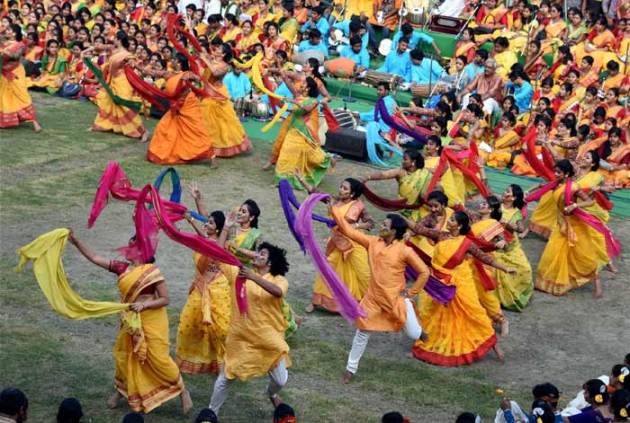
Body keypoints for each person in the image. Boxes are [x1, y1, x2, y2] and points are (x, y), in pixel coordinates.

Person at [67, 231, 192, 414]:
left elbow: (165, 299)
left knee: (159, 359)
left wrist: (145, 305)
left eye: (131, 244)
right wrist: (76, 242)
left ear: (141, 250)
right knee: (126, 357)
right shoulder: (121, 268)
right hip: (130, 321)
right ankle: (121, 392)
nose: (127, 247)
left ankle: (182, 391)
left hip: (151, 321)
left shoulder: (152, 272)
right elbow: (94, 257)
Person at [329, 208, 431, 383]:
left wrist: (411, 292)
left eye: (385, 225)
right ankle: (350, 369)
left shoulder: (404, 251)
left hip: (395, 300)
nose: (381, 226)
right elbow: (348, 231)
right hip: (373, 299)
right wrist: (333, 209)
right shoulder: (372, 242)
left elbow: (424, 272)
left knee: (413, 334)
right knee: (362, 332)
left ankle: (420, 332)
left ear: (394, 231)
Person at [411, 211, 516, 365]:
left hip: (460, 284)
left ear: (459, 226)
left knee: (473, 313)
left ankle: (494, 346)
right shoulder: (442, 236)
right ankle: (432, 342)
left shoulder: (466, 243)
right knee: (436, 314)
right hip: (440, 282)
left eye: (452, 220)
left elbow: (484, 257)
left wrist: (505, 269)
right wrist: (399, 218)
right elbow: (420, 230)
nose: (449, 221)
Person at [208, 242, 291, 414]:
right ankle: (211, 413)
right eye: (257, 252)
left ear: (269, 263)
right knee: (226, 377)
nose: (256, 255)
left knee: (281, 381)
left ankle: (271, 394)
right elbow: (218, 254)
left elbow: (277, 292)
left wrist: (253, 277)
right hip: (241, 338)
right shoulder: (238, 274)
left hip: (268, 339)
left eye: (262, 254)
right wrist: (225, 228)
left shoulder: (279, 280)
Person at [535, 159, 616, 298]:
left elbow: (590, 201)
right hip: (561, 225)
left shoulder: (574, 187)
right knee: (553, 253)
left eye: (558, 172)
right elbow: (543, 188)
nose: (555, 174)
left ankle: (598, 286)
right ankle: (551, 284)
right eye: (555, 171)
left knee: (583, 257)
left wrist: (575, 206)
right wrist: (527, 195)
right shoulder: (556, 184)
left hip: (576, 225)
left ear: (566, 174)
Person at [299, 177, 373, 313]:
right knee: (327, 270)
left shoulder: (358, 206)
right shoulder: (334, 201)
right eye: (341, 186)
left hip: (354, 244)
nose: (341, 190)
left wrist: (354, 226)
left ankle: (368, 302)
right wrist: (302, 179)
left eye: (345, 188)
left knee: (363, 274)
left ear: (352, 194)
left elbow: (370, 223)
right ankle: (315, 302)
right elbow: (315, 192)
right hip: (336, 242)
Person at [176, 206, 231, 375]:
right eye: (207, 221)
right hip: (200, 288)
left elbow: (216, 250)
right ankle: (192, 358)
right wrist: (190, 220)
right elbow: (204, 238)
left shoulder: (222, 245)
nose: (207, 224)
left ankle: (222, 362)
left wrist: (227, 228)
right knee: (188, 324)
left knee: (219, 329)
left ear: (218, 229)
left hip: (216, 290)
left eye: (211, 222)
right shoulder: (205, 241)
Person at [135, 54, 215, 165]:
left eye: (177, 61)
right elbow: (152, 73)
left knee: (195, 129)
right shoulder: (169, 74)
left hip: (188, 104)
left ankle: (210, 155)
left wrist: (189, 78)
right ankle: (170, 153)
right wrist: (135, 66)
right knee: (164, 127)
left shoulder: (187, 73)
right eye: (174, 60)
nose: (174, 62)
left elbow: (198, 79)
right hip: (175, 105)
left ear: (181, 63)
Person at [272, 76, 332, 189]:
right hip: (293, 130)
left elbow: (307, 109)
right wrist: (280, 104)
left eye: (304, 84)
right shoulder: (298, 97)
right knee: (286, 155)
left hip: (303, 133)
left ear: (308, 88)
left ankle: (327, 159)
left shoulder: (314, 101)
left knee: (306, 155)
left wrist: (294, 101)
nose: (301, 84)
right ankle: (281, 181)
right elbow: (294, 110)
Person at [90, 31, 147, 141]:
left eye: (115, 38)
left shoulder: (126, 54)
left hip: (123, 82)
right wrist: (86, 52)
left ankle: (142, 131)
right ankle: (100, 125)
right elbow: (99, 47)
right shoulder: (114, 50)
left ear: (119, 40)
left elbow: (133, 63)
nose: (113, 39)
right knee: (108, 104)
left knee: (125, 106)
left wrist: (136, 65)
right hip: (113, 81)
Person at [199, 40, 252, 157]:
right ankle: (204, 144)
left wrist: (205, 60)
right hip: (207, 92)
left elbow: (215, 72)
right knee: (206, 119)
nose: (216, 49)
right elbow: (199, 47)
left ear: (223, 54)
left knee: (221, 122)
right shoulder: (212, 59)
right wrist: (190, 29)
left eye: (219, 49)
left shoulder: (225, 66)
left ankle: (217, 147)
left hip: (217, 93)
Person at [494, 184, 533, 311]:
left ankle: (512, 296)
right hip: (495, 244)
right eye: (505, 191)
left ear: (514, 198)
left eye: (508, 192)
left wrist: (510, 225)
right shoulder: (496, 206)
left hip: (510, 246)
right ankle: (496, 298)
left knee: (525, 269)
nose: (505, 193)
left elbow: (521, 228)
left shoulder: (516, 213)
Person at [0, 24, 41, 132]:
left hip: (15, 72)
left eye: (11, 31)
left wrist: (4, 52)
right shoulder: (3, 43)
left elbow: (16, 56)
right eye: (8, 30)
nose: (8, 32)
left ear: (16, 33)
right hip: (3, 72)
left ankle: (34, 121)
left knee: (22, 95)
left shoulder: (20, 45)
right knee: (4, 96)